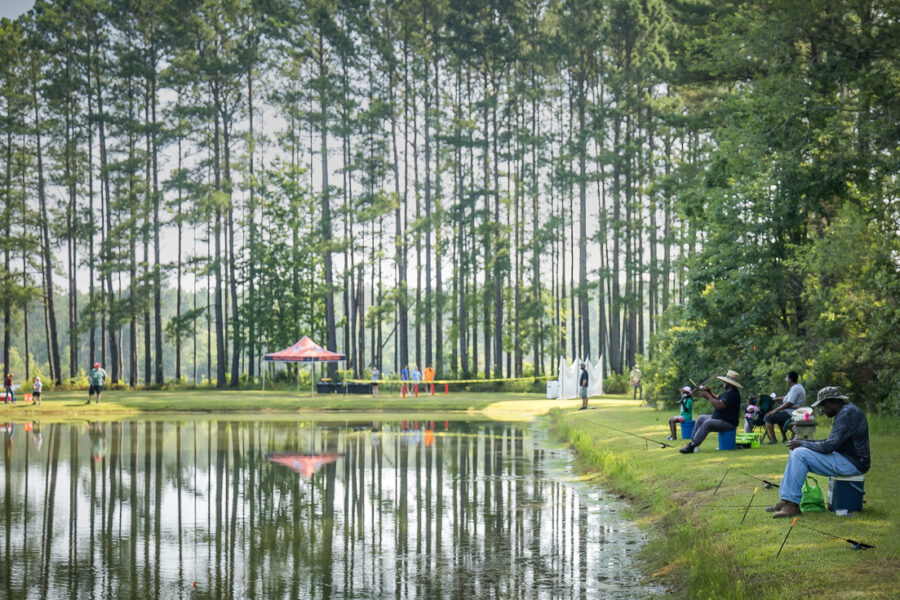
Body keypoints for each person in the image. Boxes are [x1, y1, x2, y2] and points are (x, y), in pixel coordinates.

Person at [768, 386, 870, 518]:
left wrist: (803, 443)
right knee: (796, 451)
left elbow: (828, 446)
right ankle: (786, 500)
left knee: (799, 453)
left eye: (823, 405)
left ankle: (792, 505)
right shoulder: (846, 411)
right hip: (845, 458)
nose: (822, 410)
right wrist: (803, 443)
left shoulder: (847, 414)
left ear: (832, 401)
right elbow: (831, 442)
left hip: (853, 463)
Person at [679, 370, 742, 454]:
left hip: (728, 422)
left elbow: (720, 405)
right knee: (701, 418)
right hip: (719, 418)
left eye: (725, 381)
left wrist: (708, 396)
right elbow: (717, 398)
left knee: (708, 423)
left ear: (729, 383)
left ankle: (691, 446)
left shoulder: (733, 395)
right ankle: (693, 443)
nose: (723, 382)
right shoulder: (727, 393)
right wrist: (709, 392)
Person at [764, 371, 806, 444]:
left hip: (792, 413)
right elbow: (787, 398)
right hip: (793, 411)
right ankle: (784, 438)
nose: (785, 379)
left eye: (786, 378)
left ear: (790, 379)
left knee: (768, 417)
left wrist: (775, 410)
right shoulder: (796, 387)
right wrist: (776, 399)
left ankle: (773, 440)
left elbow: (789, 403)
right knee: (779, 417)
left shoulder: (795, 388)